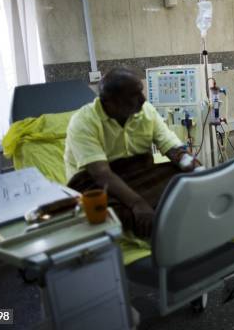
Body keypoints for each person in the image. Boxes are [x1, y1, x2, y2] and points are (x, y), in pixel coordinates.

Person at [64, 68, 200, 238]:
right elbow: (102, 174)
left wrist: (184, 159)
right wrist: (138, 204)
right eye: (134, 96)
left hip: (139, 173)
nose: (143, 100)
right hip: (94, 182)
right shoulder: (83, 122)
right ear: (110, 102)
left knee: (187, 183)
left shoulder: (146, 111)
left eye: (140, 92)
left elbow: (169, 144)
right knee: (112, 214)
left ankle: (166, 217)